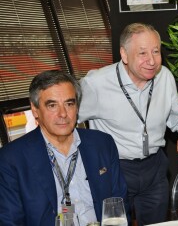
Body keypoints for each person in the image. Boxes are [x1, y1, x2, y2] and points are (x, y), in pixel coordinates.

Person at [78, 22, 178, 226]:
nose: (151, 61)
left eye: (156, 51)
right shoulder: (97, 84)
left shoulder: (164, 77)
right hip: (115, 169)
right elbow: (67, 119)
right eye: (142, 53)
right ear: (124, 54)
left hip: (154, 168)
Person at [0, 70, 129, 226]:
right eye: (52, 105)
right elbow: (10, 221)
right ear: (35, 110)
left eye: (69, 103)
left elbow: (119, 206)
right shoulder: (11, 159)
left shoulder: (102, 144)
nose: (63, 114)